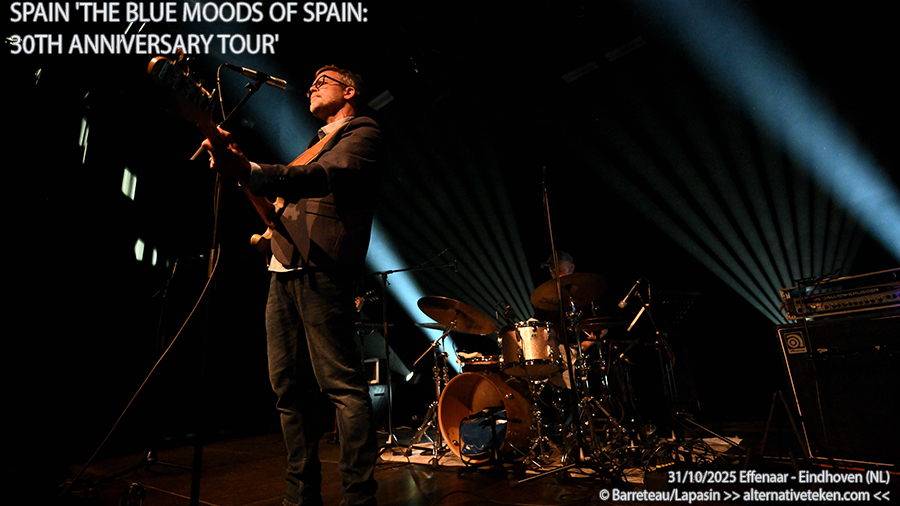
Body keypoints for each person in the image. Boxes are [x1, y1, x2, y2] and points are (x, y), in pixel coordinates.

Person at [202, 65, 382, 506]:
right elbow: (278, 204)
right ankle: (300, 496)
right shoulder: (313, 145)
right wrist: (239, 170)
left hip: (322, 268)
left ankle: (359, 498)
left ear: (349, 91)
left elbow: (320, 177)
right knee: (287, 389)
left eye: (325, 80)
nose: (313, 85)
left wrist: (251, 168)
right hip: (282, 268)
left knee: (341, 386)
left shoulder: (363, 132)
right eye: (313, 81)